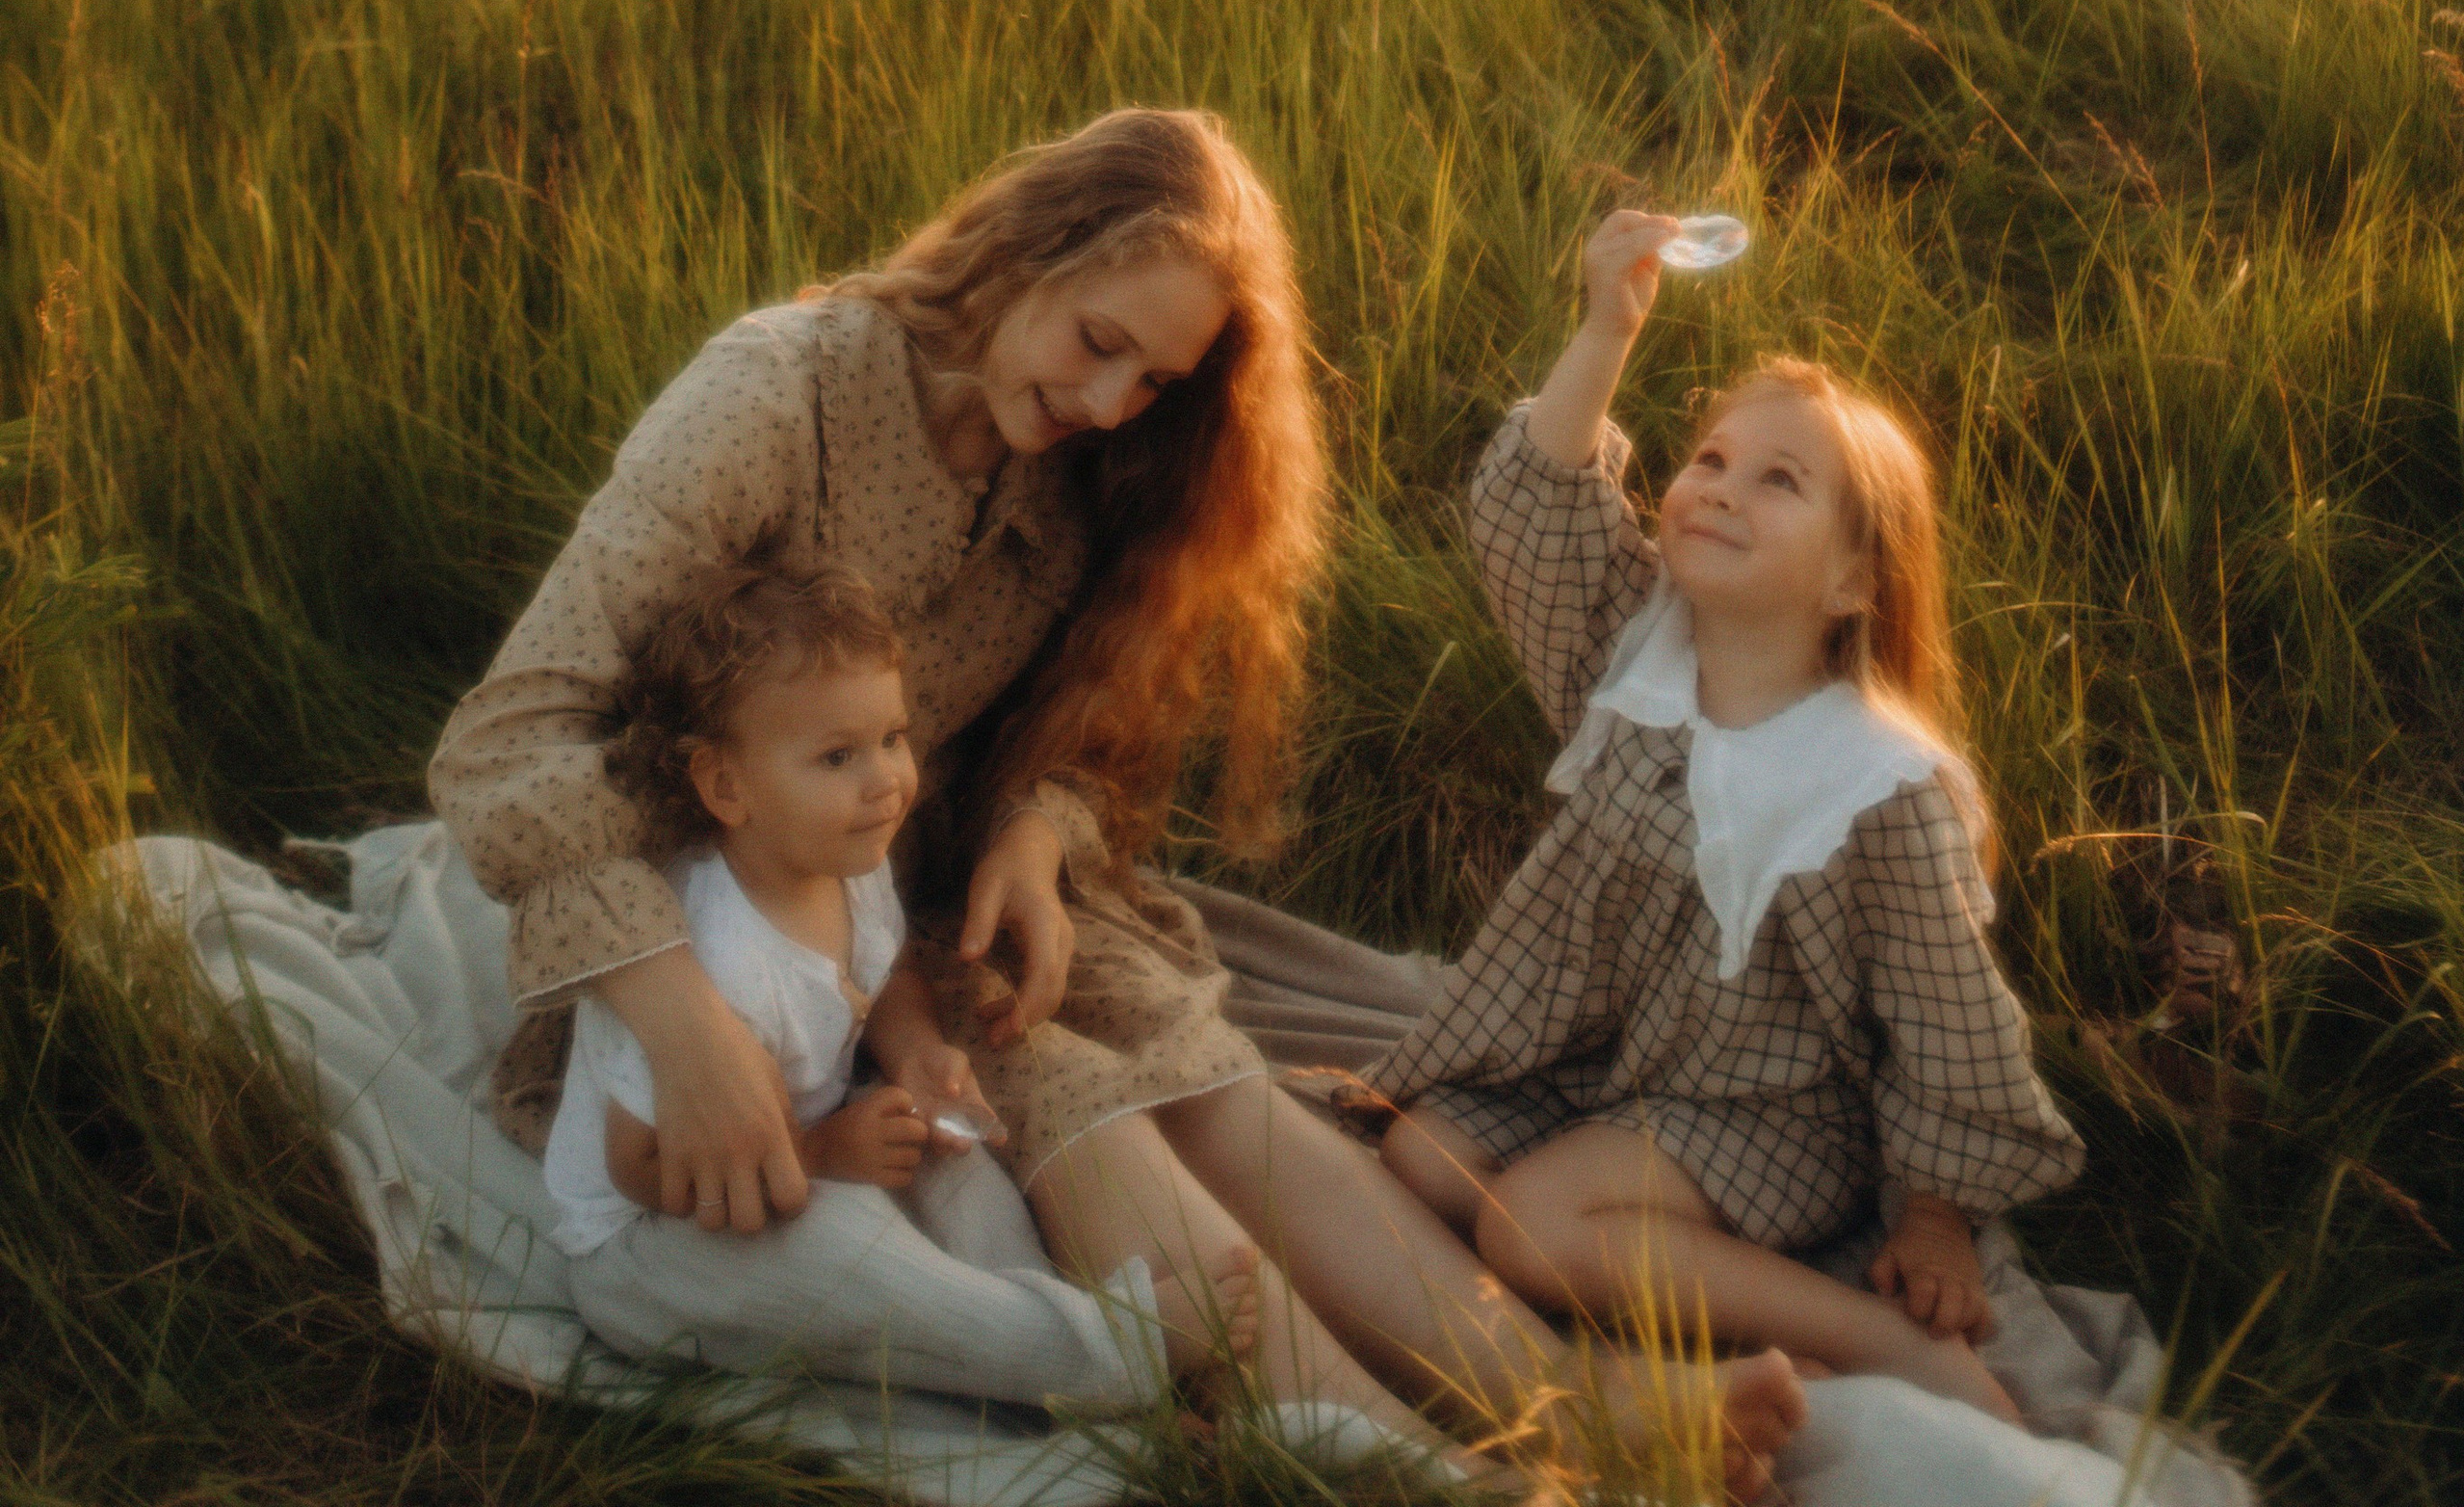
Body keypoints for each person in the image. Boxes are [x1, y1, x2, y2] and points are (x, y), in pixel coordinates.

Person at [431, 110, 1805, 1494]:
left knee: (1157, 1041)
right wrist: (684, 1028)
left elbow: (1083, 733)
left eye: (1151, 379)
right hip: (704, 920)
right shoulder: (776, 398)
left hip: (898, 897)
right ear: (1025, 248)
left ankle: (1559, 1394)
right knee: (1049, 1071)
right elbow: (505, 742)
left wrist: (1038, 831)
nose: (1107, 405)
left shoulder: (1083, 465)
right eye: (1099, 345)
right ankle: (1407, 1466)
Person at [1372, 208, 2084, 1429]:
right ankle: (1689, 1337)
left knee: (1531, 1227)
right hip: (1593, 1051)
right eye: (1707, 460)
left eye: (1778, 480)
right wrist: (1607, 327)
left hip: (1764, 1104)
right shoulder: (1634, 655)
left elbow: (1945, 1017)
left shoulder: (1868, 783)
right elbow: (1528, 517)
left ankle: (1869, 1344)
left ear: (1854, 583)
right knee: (1413, 1157)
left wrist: (1932, 1211)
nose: (1717, 488)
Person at [542, 555, 1257, 1402]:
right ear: (727, 786)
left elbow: (885, 979)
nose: (886, 779)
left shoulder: (848, 866)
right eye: (838, 756)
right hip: (657, 1242)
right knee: (840, 1258)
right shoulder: (710, 954)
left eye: (892, 738)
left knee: (952, 1160)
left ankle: (1049, 1325)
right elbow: (639, 1163)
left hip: (804, 1152)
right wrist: (814, 1154)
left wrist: (917, 1053)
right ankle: (1088, 1358)